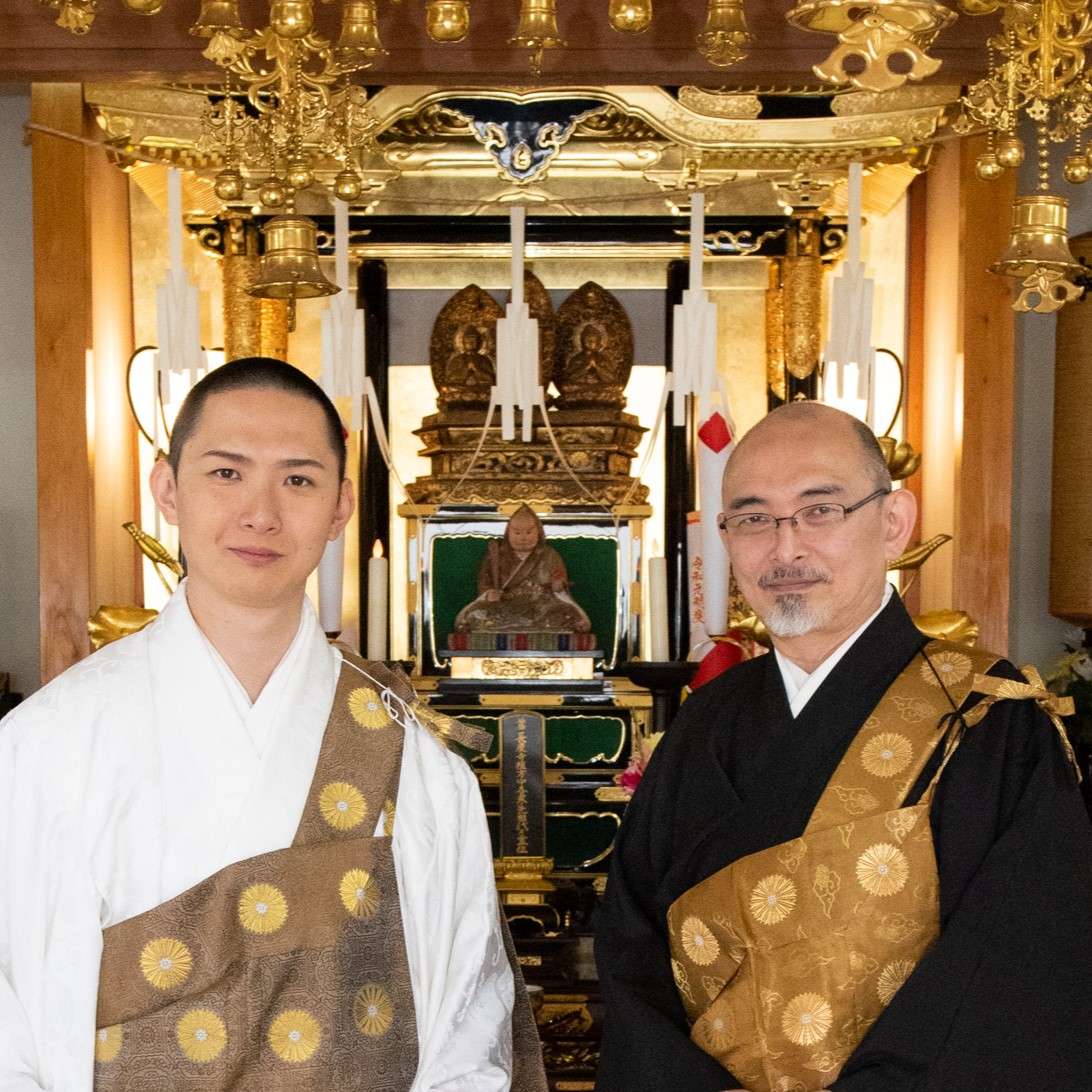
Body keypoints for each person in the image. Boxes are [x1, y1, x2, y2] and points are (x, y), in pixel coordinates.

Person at [0, 357, 546, 1091]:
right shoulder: (50, 742)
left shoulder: (412, 756)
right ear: (167, 488)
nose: (261, 512)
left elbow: (463, 1031)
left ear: (340, 506)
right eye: (226, 474)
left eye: (298, 479)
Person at [595, 401, 1092, 1091]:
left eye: (820, 510)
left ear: (893, 524)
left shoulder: (986, 721)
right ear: (728, 538)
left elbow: (1011, 980)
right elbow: (631, 960)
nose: (786, 547)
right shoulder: (704, 723)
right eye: (754, 518)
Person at [455, 504, 591, 634]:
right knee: (474, 615)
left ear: (539, 531)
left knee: (565, 614)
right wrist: (489, 594)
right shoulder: (496, 555)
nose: (523, 538)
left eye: (529, 532)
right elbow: (485, 584)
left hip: (539, 607)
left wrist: (558, 586)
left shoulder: (549, 554)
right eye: (517, 533)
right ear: (508, 533)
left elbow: (560, 588)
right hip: (504, 606)